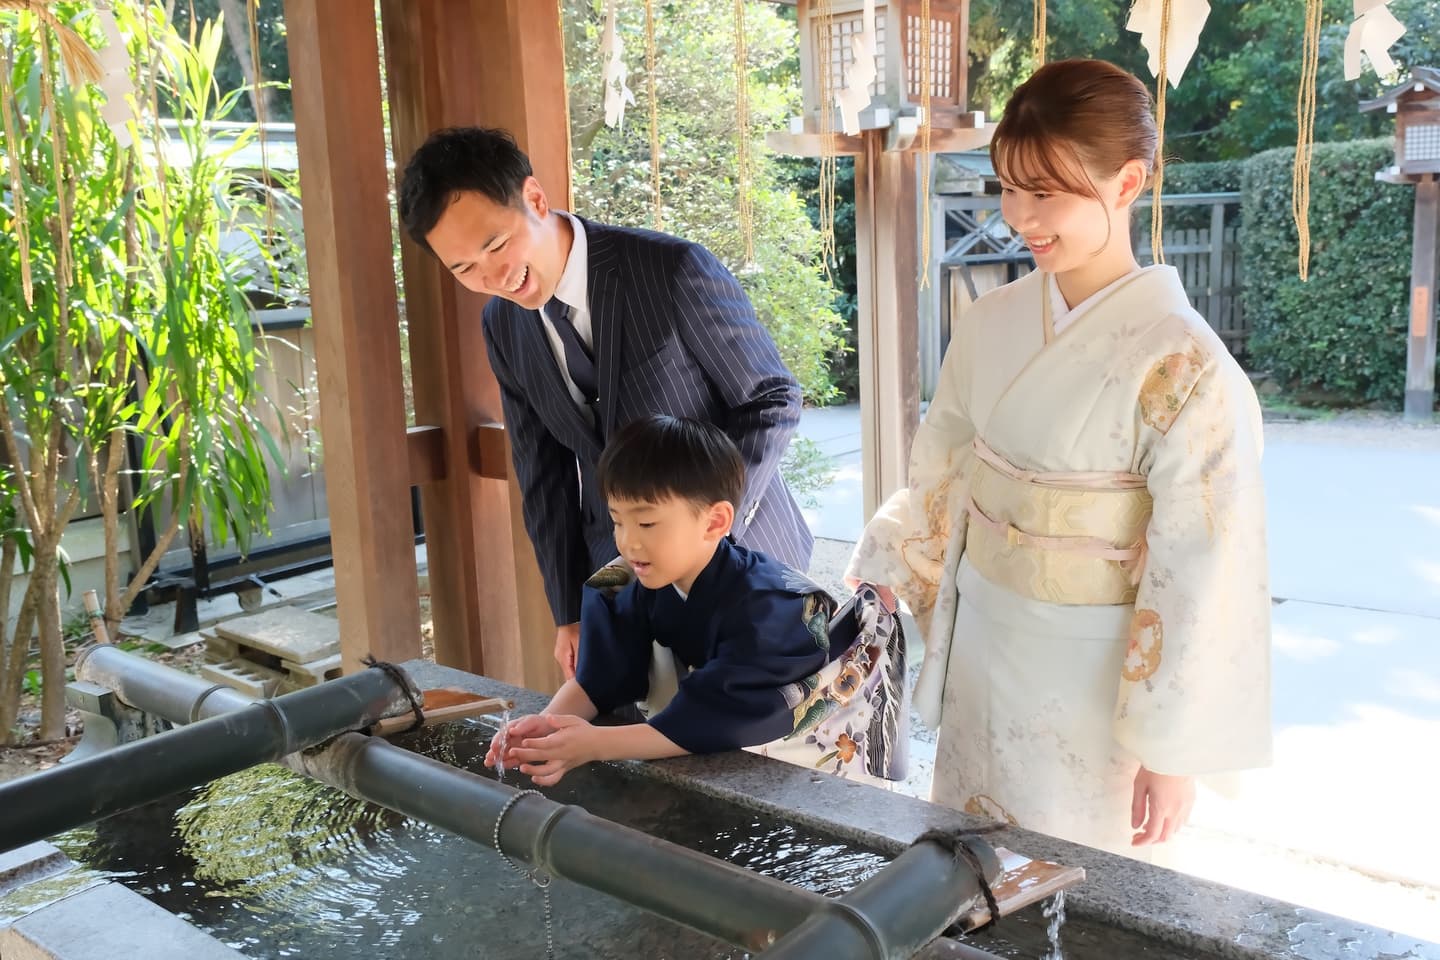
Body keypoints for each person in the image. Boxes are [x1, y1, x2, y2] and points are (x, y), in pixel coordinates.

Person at [846, 59, 1271, 856]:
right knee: (966, 868)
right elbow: (944, 468)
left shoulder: (1186, 364)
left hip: (1093, 676)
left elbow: (1203, 560)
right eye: (1009, 188)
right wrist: (901, 552)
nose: (1020, 216)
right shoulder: (991, 322)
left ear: (1128, 182)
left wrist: (1170, 752)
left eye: (1047, 193)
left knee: (1072, 884)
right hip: (985, 645)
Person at [398, 127, 813, 679]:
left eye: (496, 245)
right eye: (464, 269)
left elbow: (771, 399)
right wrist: (568, 610)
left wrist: (710, 526)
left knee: (757, 748)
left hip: (748, 559)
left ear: (536, 200)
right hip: (622, 579)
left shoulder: (672, 270)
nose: (494, 276)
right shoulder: (502, 325)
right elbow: (539, 470)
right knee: (649, 741)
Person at [484, 415, 906, 786]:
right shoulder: (633, 580)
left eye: (647, 522)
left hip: (804, 757)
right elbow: (600, 677)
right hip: (721, 740)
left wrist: (592, 744)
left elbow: (710, 722)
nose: (629, 542)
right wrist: (550, 725)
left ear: (716, 521)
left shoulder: (774, 610)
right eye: (617, 521)